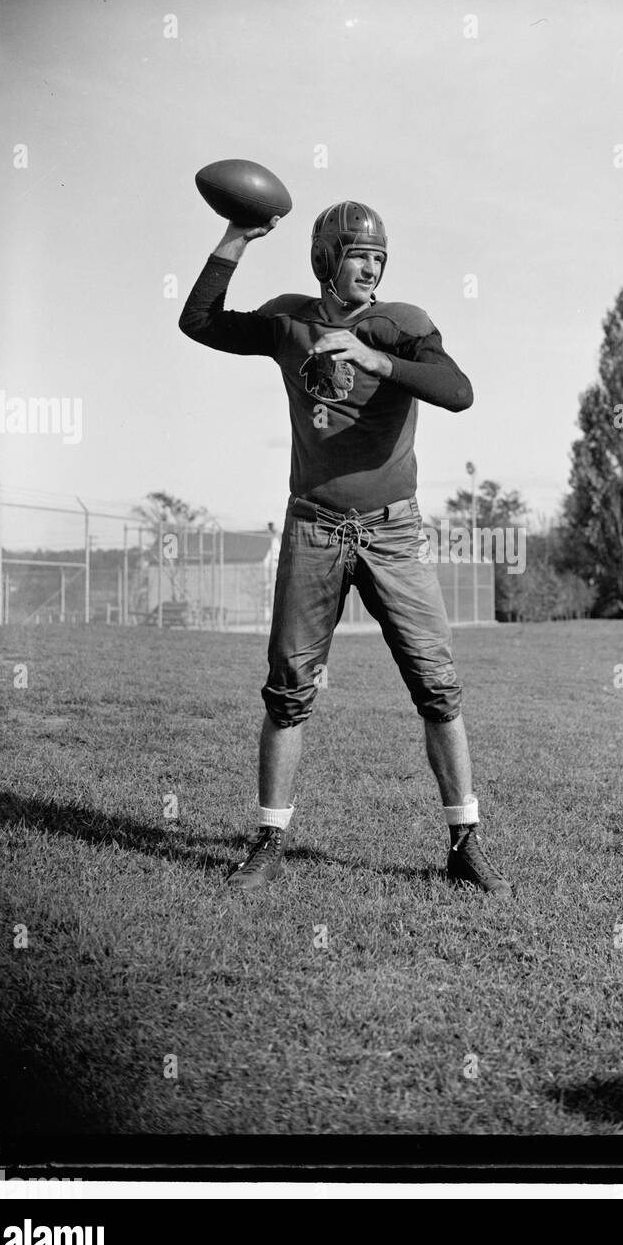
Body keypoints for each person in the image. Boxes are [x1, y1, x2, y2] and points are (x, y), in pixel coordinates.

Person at [179, 200, 512, 897]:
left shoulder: (402, 324)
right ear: (327, 257)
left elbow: (459, 391)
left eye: (380, 257)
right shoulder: (292, 320)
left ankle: (464, 843)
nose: (372, 266)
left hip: (392, 530)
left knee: (438, 686)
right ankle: (269, 841)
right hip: (312, 526)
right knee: (288, 691)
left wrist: (374, 359)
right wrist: (236, 236)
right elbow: (199, 322)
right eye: (360, 254)